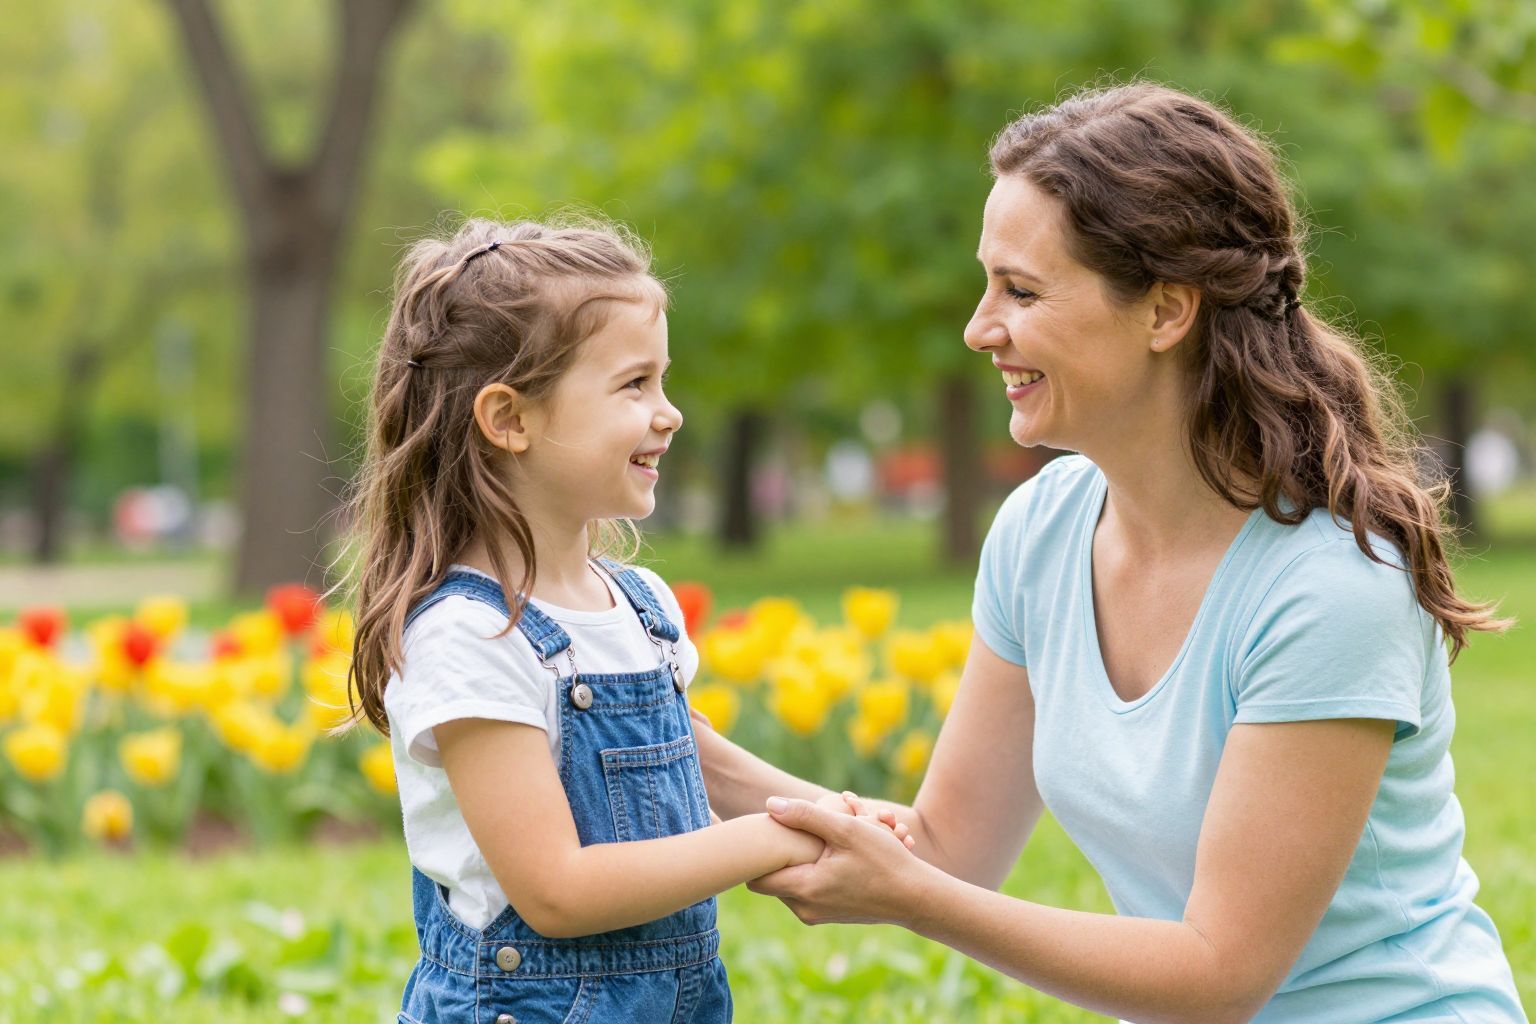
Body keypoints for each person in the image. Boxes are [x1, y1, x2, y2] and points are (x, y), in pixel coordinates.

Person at [694, 83, 1528, 1022]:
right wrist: (681, 750)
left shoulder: (1331, 585)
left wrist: (913, 897)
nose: (979, 328)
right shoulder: (1041, 533)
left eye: (1021, 289)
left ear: (1166, 312)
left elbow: (1218, 973)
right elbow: (943, 847)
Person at [341, 217, 913, 1024]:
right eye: (633, 385)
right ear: (510, 420)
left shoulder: (639, 605)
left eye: (663, 381)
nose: (669, 413)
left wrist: (836, 816)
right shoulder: (471, 635)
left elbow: (703, 762)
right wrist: (771, 843)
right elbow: (557, 892)